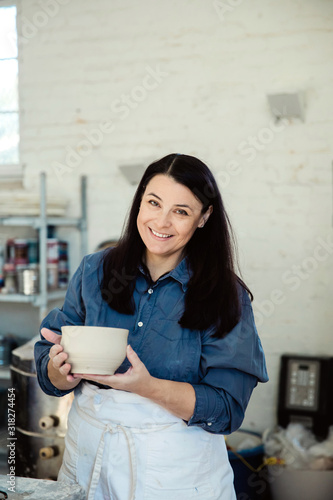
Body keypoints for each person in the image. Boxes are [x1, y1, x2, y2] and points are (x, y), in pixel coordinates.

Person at [34, 153, 268, 500]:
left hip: (177, 480)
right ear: (139, 202)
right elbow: (47, 368)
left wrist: (149, 387)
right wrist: (58, 370)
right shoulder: (95, 270)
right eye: (153, 203)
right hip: (87, 467)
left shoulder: (226, 296)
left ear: (204, 218)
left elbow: (227, 409)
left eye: (181, 211)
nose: (162, 221)